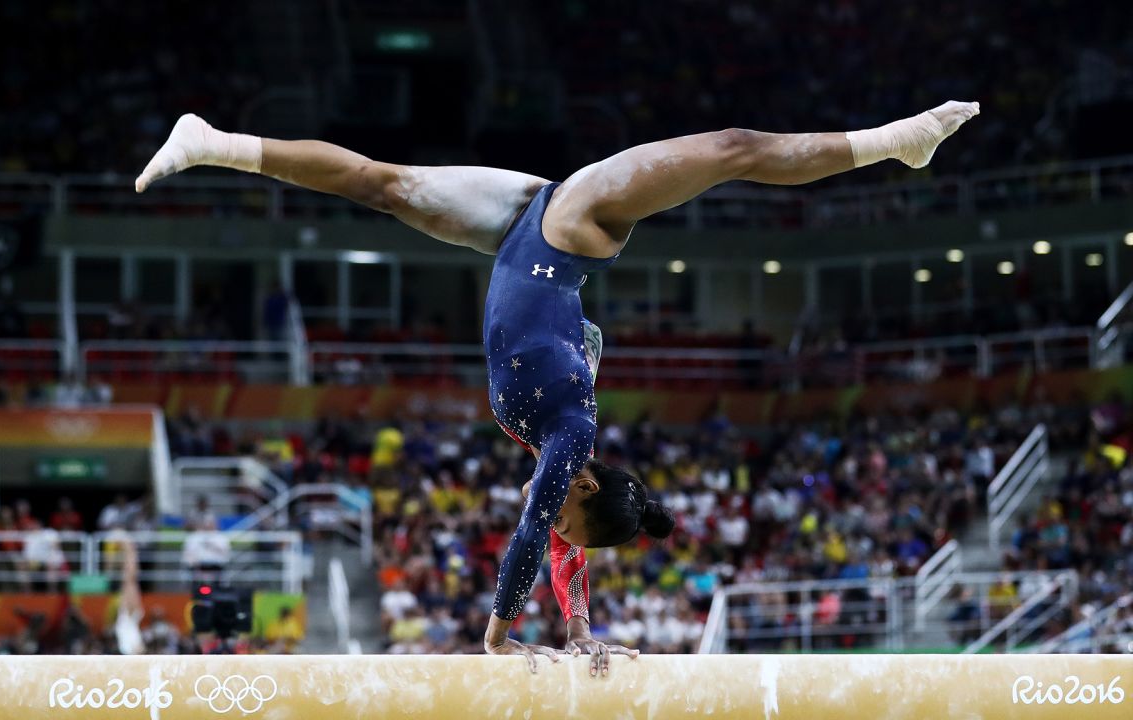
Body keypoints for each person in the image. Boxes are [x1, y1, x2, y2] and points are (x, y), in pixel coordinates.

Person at [136, 99, 980, 669]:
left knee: (379, 184)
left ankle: (212, 142)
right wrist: (498, 639)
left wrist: (579, 627)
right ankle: (894, 141)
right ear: (583, 483)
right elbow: (536, 535)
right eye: (571, 516)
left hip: (517, 228)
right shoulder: (570, 435)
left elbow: (564, 542)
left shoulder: (560, 449)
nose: (558, 533)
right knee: (733, 152)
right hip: (575, 224)